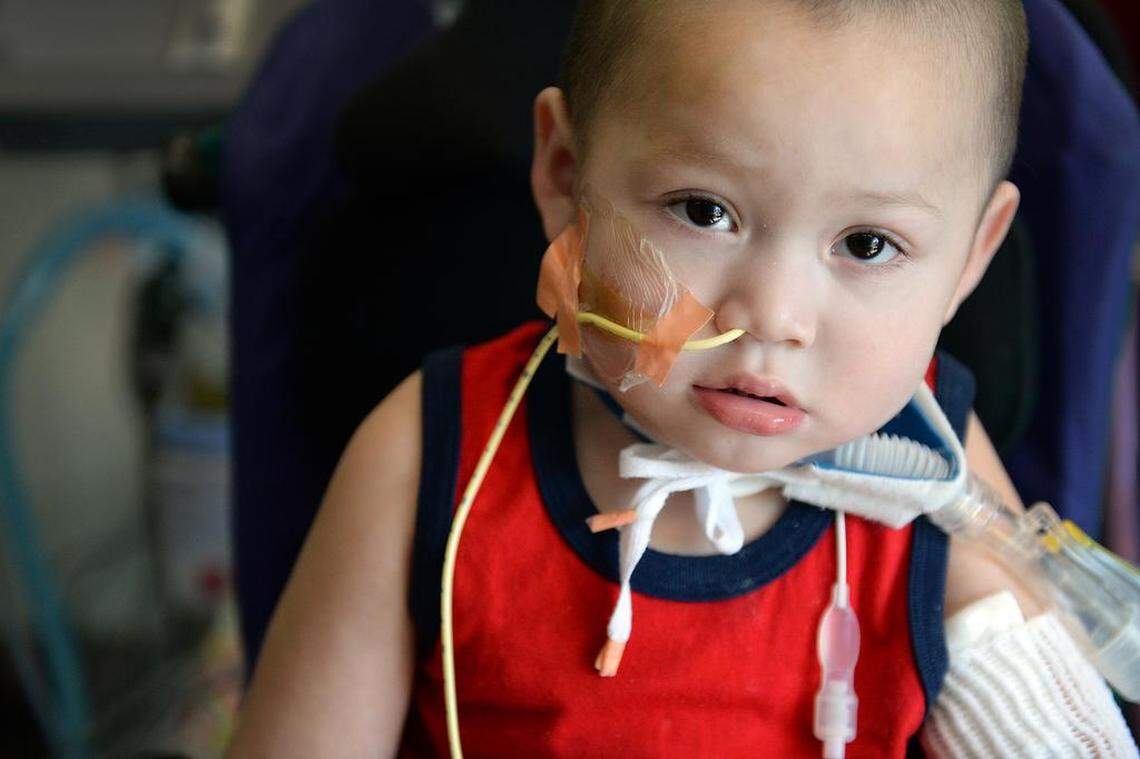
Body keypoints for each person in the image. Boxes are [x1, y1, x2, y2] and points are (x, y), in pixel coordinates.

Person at [226, 0, 1137, 756]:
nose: (773, 316)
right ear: (564, 173)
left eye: (867, 244)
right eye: (704, 212)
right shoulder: (432, 457)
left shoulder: (931, 468)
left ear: (970, 258)